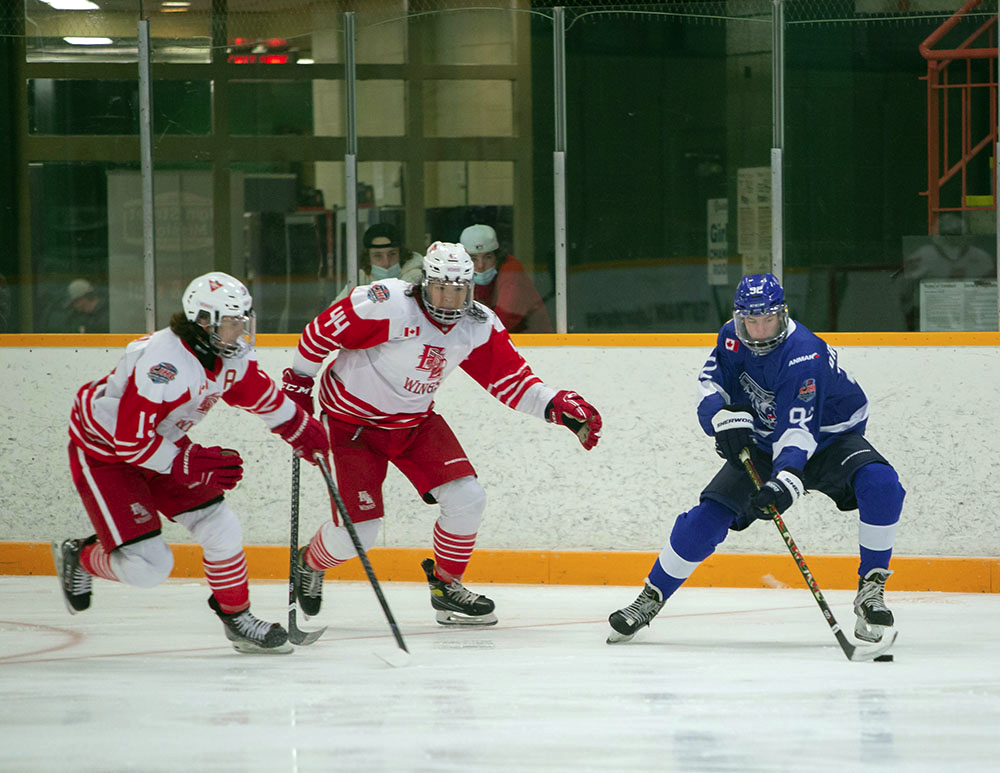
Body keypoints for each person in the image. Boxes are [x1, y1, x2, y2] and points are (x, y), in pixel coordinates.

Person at [282, 241, 601, 626]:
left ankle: (447, 587)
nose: (450, 300)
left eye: (459, 290)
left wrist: (555, 406)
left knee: (468, 498)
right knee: (359, 534)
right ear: (424, 283)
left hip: (414, 423)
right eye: (441, 288)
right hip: (352, 427)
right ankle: (309, 562)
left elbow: (511, 381)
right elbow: (319, 333)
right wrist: (299, 380)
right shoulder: (386, 303)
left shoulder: (476, 324)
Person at [606, 273, 905, 646]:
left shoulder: (804, 353)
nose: (760, 330)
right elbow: (711, 384)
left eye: (767, 319)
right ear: (740, 317)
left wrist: (785, 484)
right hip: (767, 442)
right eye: (751, 320)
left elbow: (799, 430)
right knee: (706, 519)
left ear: (782, 314)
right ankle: (650, 597)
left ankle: (871, 587)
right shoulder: (731, 338)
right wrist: (722, 419)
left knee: (881, 484)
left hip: (832, 438)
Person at [52, 271, 330, 654]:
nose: (242, 331)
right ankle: (80, 557)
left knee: (220, 524)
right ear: (203, 322)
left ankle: (237, 618)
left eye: (243, 320)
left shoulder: (224, 353)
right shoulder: (163, 366)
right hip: (106, 452)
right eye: (233, 322)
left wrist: (300, 427)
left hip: (158, 442)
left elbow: (259, 393)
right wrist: (191, 460)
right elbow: (131, 444)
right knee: (149, 567)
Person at [459, 224, 553, 334]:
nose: (480, 265)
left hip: (532, 343)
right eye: (473, 258)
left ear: (497, 257)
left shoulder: (511, 272)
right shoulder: (461, 275)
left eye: (488, 257)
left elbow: (503, 320)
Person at [334, 223, 423, 301]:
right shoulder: (360, 278)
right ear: (368, 258)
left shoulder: (417, 277)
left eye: (392, 254)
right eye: (378, 256)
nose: (386, 263)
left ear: (402, 255)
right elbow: (334, 312)